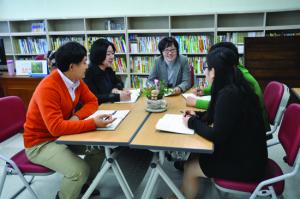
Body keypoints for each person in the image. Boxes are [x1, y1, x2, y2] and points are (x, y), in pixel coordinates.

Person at [165, 46, 268, 199]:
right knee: (193, 155)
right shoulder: (235, 86)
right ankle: (176, 196)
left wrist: (192, 122)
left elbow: (217, 135)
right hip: (245, 152)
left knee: (190, 167)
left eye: (206, 68)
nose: (204, 72)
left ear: (213, 72)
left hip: (246, 164)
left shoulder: (228, 94)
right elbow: (222, 116)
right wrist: (198, 116)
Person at [23, 42, 116, 199]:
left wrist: (76, 117)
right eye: (84, 62)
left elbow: (92, 102)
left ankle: (84, 186)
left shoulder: (76, 81)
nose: (87, 66)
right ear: (72, 67)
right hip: (40, 143)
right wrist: (92, 123)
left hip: (64, 134)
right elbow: (55, 128)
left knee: (99, 150)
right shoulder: (49, 87)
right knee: (79, 171)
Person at [186, 42, 271, 133]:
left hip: (252, 130)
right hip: (247, 127)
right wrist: (204, 92)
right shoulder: (233, 72)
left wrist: (197, 103)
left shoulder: (236, 82)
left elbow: (223, 105)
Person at [83, 39, 131, 105]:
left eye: (112, 53)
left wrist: (116, 88)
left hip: (109, 105)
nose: (112, 57)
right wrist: (118, 97)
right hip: (98, 108)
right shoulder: (89, 72)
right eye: (108, 54)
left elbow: (119, 82)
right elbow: (94, 97)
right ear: (99, 55)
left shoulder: (107, 68)